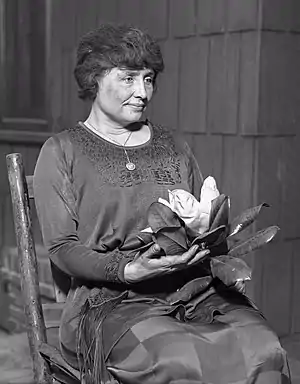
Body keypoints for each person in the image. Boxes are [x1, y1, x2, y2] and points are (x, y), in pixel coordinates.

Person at [34, 23, 291, 384]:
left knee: (263, 348)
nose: (142, 92)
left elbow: (207, 220)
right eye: (128, 78)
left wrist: (208, 235)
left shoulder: (173, 146)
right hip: (111, 302)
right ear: (94, 79)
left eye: (149, 79)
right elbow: (62, 249)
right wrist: (127, 270)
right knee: (178, 358)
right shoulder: (63, 151)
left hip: (192, 291)